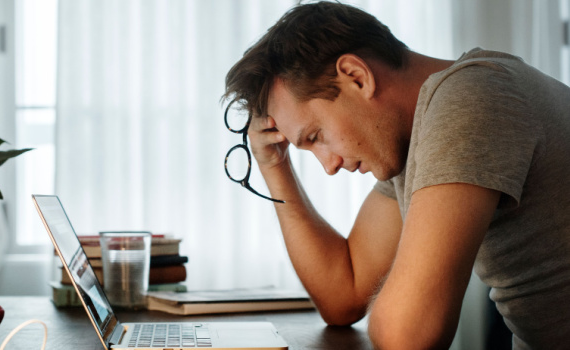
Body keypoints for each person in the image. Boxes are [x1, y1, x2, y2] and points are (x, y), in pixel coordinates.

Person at [223, 2, 570, 349]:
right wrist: (273, 164)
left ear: (356, 77)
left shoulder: (472, 97)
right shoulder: (413, 140)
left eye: (315, 136)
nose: (328, 165)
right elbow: (344, 296)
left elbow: (408, 336)